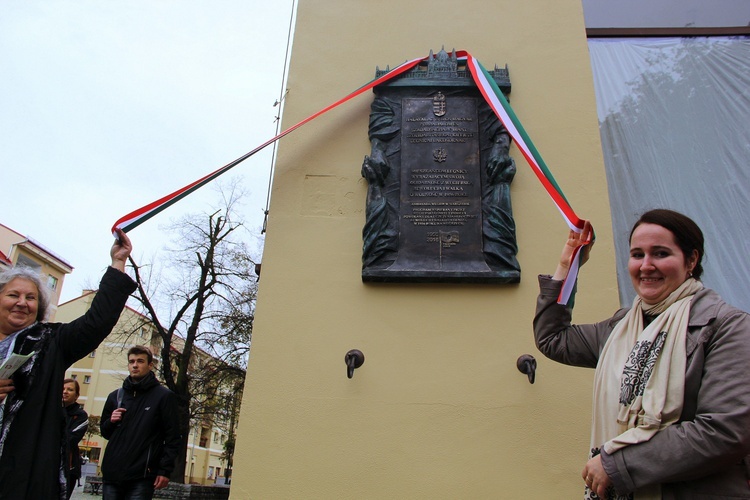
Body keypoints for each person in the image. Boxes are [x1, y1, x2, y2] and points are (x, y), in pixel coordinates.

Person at [534, 209, 750, 499]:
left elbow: (724, 431)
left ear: (691, 260)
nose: (646, 265)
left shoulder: (726, 326)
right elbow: (553, 338)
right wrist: (566, 267)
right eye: (637, 255)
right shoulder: (621, 327)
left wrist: (617, 464)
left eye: (660, 254)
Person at [0, 228, 136, 499]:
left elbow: (96, 322)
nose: (22, 303)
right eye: (13, 295)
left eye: (31, 298)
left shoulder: (51, 342)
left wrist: (118, 263)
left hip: (23, 474)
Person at [100, 345, 180, 499]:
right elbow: (105, 432)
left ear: (150, 365)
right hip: (112, 474)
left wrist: (164, 470)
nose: (135, 365)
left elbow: (173, 437)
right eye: (131, 362)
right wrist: (111, 421)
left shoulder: (164, 396)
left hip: (142, 475)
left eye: (140, 361)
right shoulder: (116, 396)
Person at [63, 378, 89, 499]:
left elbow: (70, 439)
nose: (65, 392)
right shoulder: (50, 411)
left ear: (77, 395)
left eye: (70, 389)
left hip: (68, 466)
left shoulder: (80, 416)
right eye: (63, 389)